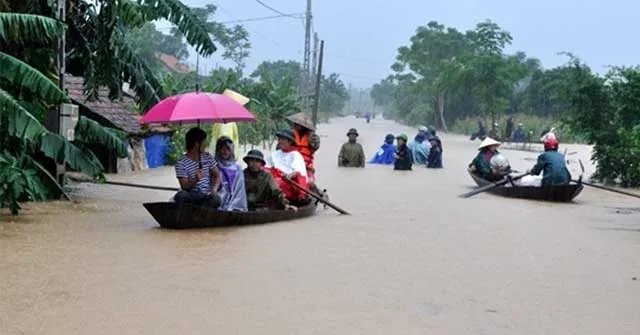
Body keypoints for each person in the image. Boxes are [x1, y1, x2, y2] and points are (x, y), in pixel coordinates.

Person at [173, 127, 221, 207]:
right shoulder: (181, 163)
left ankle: (201, 212)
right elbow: (185, 187)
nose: (205, 145)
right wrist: (196, 179)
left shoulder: (207, 157)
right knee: (180, 196)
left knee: (216, 199)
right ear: (196, 144)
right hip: (191, 195)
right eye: (204, 142)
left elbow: (217, 176)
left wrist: (214, 190)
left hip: (206, 195)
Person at [265, 130, 311, 205]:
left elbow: (298, 172)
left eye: (283, 139)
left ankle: (300, 197)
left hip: (289, 183)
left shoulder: (295, 155)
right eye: (279, 139)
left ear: (290, 142)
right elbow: (266, 166)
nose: (280, 141)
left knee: (277, 184)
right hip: (274, 179)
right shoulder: (275, 154)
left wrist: (289, 176)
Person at [286, 112, 321, 193]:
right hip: (290, 165)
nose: (296, 125)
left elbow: (316, 147)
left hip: (307, 167)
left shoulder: (312, 137)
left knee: (310, 182)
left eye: (298, 124)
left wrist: (311, 137)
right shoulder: (290, 135)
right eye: (295, 123)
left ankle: (316, 194)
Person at [214, 136, 247, 211]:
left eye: (228, 149)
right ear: (218, 150)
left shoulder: (238, 168)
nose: (225, 151)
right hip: (218, 200)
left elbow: (239, 190)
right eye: (222, 148)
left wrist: (232, 204)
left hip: (235, 202)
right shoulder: (213, 166)